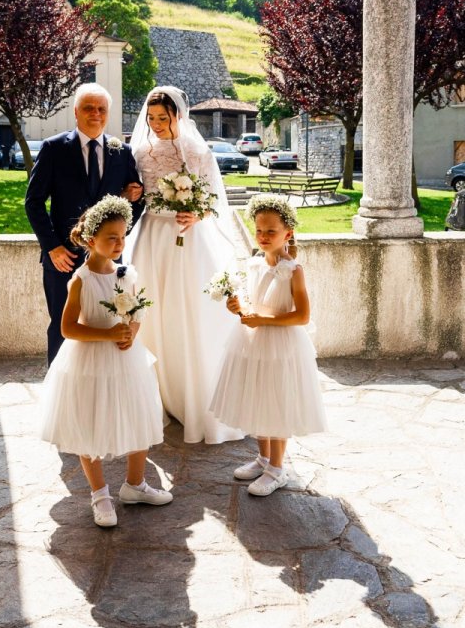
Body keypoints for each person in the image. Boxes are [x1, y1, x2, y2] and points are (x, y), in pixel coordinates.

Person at [39, 195, 172, 527]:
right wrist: (108, 336)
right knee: (91, 424)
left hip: (127, 360)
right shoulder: (81, 280)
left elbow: (138, 312)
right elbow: (68, 327)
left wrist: (130, 334)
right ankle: (99, 494)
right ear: (90, 239)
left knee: (138, 416)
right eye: (111, 237)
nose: (119, 243)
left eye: (123, 236)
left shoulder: (127, 274)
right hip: (90, 361)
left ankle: (136, 484)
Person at [127, 86, 243, 444]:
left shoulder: (197, 151)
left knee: (186, 314)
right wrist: (133, 193)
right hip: (151, 239)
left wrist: (196, 216)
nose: (156, 124)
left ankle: (193, 397)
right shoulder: (141, 151)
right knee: (151, 313)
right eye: (151, 118)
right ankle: (154, 398)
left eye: (163, 118)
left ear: (178, 115)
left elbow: (212, 202)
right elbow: (137, 193)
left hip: (187, 241)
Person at [210, 194, 327, 496]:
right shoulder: (253, 264)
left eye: (270, 232)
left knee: (277, 402)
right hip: (253, 342)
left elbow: (302, 315)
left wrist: (263, 321)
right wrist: (238, 308)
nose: (263, 237)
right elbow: (252, 303)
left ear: (287, 233)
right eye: (259, 231)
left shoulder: (293, 270)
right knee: (258, 397)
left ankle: (277, 468)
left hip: (281, 344)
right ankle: (263, 458)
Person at [25, 83, 144, 365]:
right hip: (63, 258)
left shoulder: (122, 152)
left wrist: (117, 236)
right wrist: (52, 247)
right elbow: (33, 202)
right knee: (61, 325)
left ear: (108, 114)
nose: (96, 114)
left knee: (107, 323)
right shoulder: (54, 148)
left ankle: (101, 387)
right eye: (89, 108)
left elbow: (135, 202)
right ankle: (59, 389)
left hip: (107, 264)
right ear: (76, 112)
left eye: (102, 109)